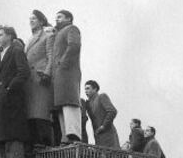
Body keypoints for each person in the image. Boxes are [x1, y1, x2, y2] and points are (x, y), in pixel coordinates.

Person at [0, 26, 30, 158]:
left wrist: (9, 89)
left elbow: (24, 72)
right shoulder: (4, 54)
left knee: (13, 145)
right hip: (4, 107)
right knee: (5, 147)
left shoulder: (16, 50)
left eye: (1, 35)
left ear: (10, 36)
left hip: (12, 105)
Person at [50, 10, 81, 144]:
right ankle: (65, 136)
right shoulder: (57, 34)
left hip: (67, 73)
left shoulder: (72, 29)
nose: (57, 19)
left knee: (70, 101)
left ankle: (73, 134)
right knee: (62, 105)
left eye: (60, 17)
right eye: (56, 17)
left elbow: (74, 45)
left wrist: (63, 63)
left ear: (68, 18)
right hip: (59, 74)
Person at [25, 9, 53, 147]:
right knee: (31, 114)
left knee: (40, 112)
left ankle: (44, 143)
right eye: (30, 19)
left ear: (41, 21)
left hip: (40, 79)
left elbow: (51, 56)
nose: (31, 21)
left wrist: (47, 74)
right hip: (29, 82)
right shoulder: (29, 39)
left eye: (34, 19)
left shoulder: (47, 36)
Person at [84, 80, 120, 149]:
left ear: (95, 89)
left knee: (111, 156)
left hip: (108, 136)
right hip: (98, 138)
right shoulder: (88, 103)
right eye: (85, 89)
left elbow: (112, 111)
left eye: (88, 88)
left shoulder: (101, 97)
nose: (86, 91)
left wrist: (103, 126)